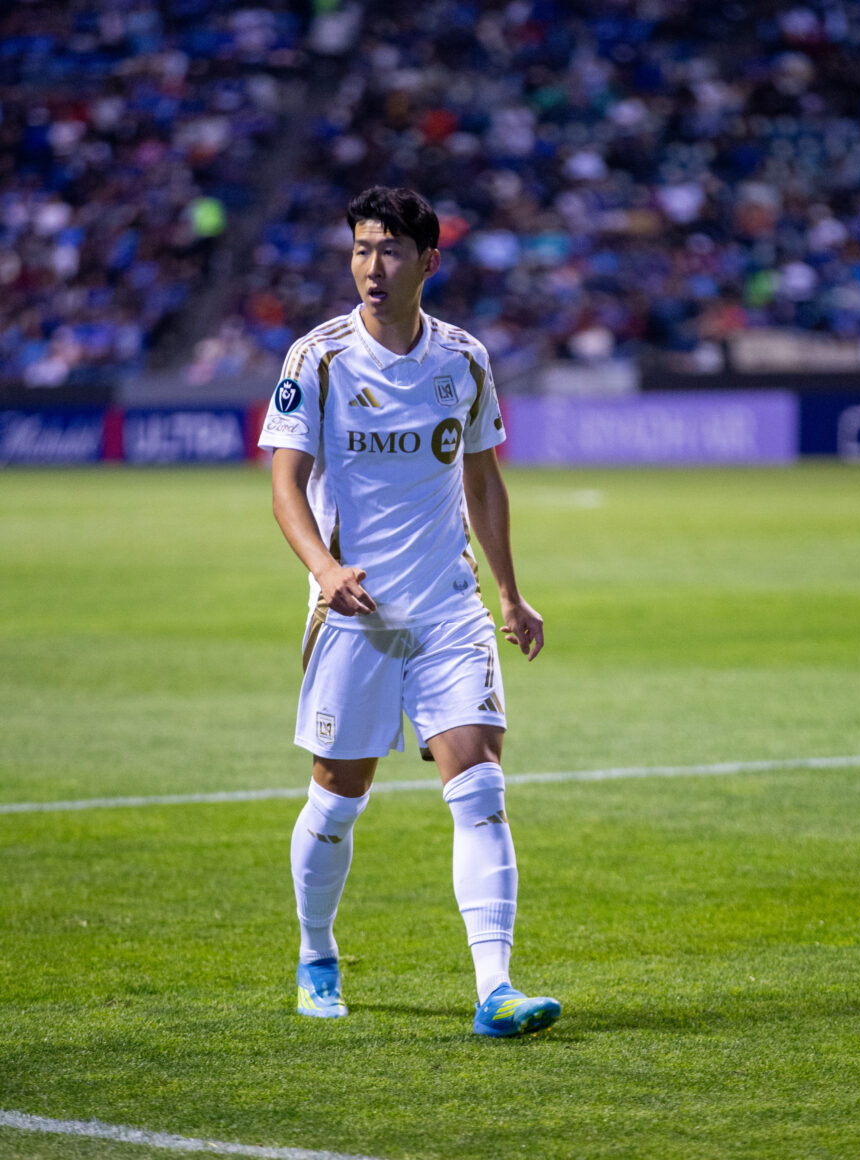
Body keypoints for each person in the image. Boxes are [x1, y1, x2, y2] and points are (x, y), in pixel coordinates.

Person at [257, 185, 561, 1038]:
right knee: (337, 798)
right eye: (360, 249)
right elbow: (283, 483)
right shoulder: (317, 359)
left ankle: (495, 987)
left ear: (430, 260)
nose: (371, 266)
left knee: (481, 788)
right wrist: (323, 570)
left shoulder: (462, 360)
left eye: (389, 249)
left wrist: (508, 589)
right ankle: (317, 953)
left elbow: (483, 478)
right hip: (355, 614)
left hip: (447, 610)